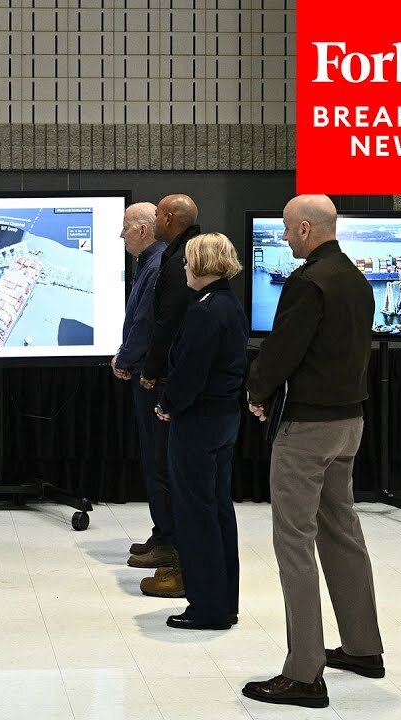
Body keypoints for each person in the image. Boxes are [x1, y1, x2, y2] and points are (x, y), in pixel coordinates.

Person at [242, 195, 383, 709]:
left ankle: (304, 673)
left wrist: (257, 393)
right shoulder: (356, 277)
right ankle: (364, 648)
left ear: (305, 228)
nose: (283, 238)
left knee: (294, 542)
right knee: (342, 531)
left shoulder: (307, 282)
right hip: (350, 421)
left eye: (285, 229)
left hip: (307, 429)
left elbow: (284, 348)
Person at [150, 233, 247, 630]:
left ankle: (207, 608)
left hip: (199, 422)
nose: (185, 268)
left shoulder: (206, 310)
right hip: (224, 418)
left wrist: (167, 404)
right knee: (219, 508)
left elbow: (190, 371)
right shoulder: (228, 304)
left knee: (196, 513)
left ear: (204, 264)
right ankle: (224, 600)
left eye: (188, 262)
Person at [134, 193, 202, 596]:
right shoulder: (178, 258)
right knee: (165, 468)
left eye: (158, 213)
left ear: (169, 218)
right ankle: (170, 547)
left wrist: (151, 371)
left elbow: (163, 323)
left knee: (169, 471)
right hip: (174, 381)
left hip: (172, 383)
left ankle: (178, 560)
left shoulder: (175, 263)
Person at [110, 202, 173, 567]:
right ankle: (162, 532)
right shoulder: (150, 262)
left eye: (125, 228)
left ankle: (167, 540)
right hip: (146, 374)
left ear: (143, 230)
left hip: (150, 380)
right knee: (155, 460)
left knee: (157, 460)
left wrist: (125, 358)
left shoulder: (156, 264)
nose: (121, 235)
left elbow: (145, 324)